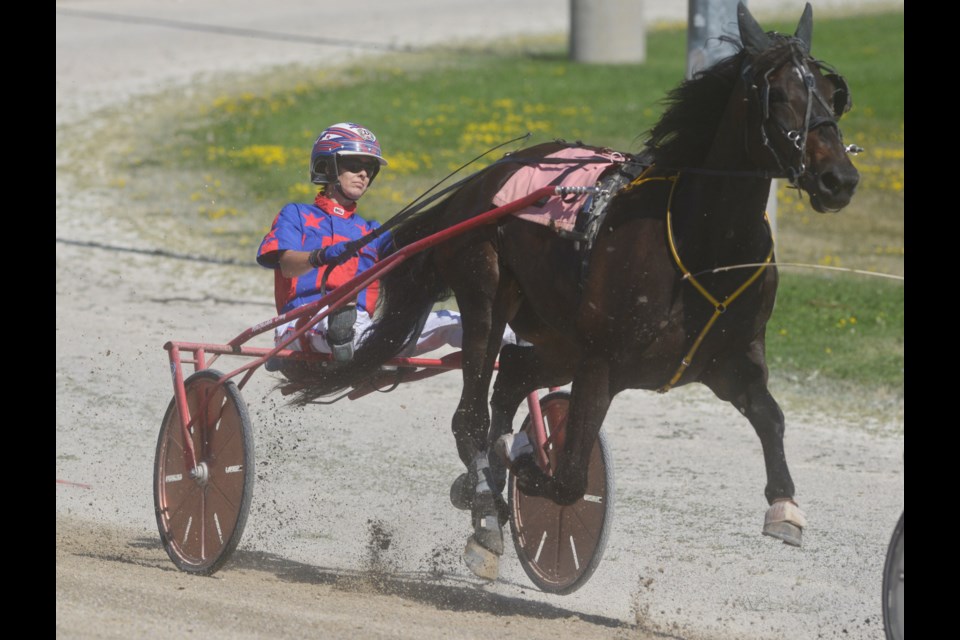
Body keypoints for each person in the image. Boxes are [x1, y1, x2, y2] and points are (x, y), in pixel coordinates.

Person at [256, 122, 478, 364]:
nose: (364, 174)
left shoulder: (372, 230)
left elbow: (408, 264)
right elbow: (287, 265)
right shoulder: (295, 214)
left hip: (362, 325)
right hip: (302, 320)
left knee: (450, 321)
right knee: (335, 319)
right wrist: (322, 255)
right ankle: (350, 338)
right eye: (354, 166)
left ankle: (519, 340)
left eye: (370, 168)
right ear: (327, 166)